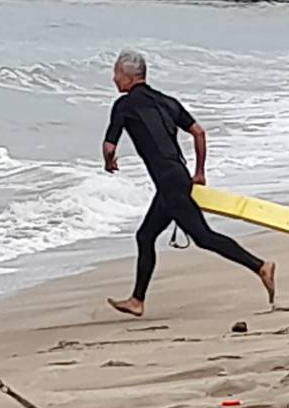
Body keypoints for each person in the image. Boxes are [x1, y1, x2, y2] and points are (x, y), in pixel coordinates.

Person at [103, 49, 275, 317]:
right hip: (177, 178)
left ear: (127, 76)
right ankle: (137, 301)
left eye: (115, 74)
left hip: (170, 185)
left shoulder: (124, 106)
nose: (114, 80)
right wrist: (199, 172)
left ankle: (260, 265)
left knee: (203, 237)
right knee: (145, 235)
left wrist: (109, 160)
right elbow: (198, 131)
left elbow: (109, 145)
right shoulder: (167, 101)